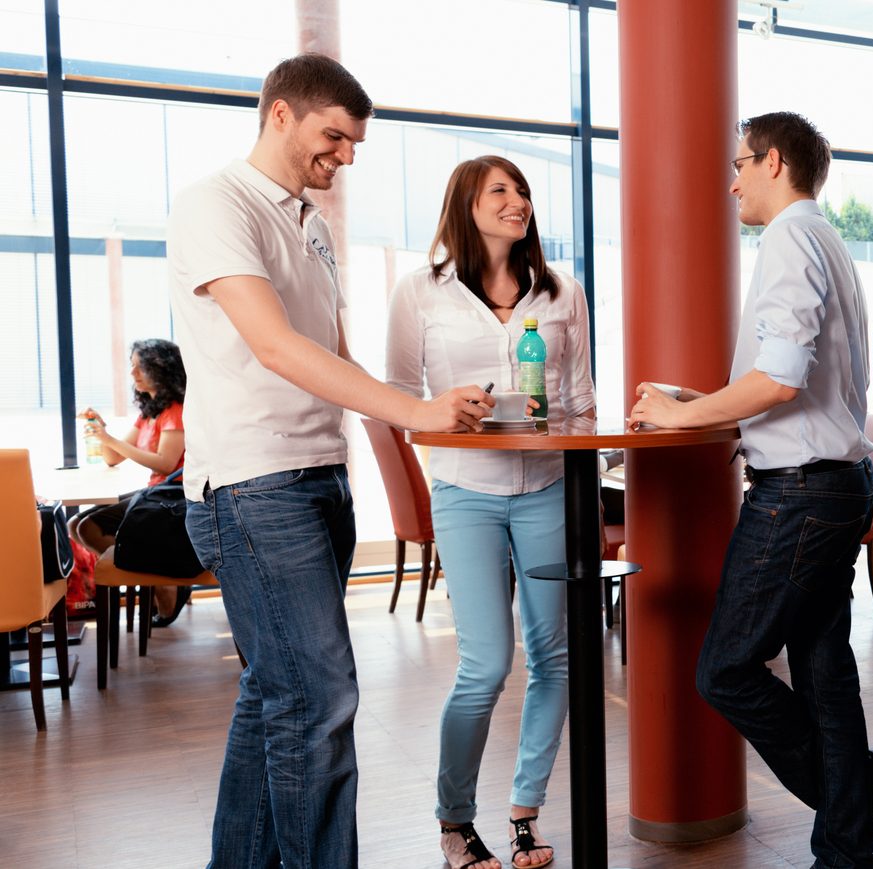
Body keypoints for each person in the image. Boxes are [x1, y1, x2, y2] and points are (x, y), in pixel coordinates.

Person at [169, 53, 491, 866]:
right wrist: (414, 409)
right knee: (319, 699)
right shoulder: (216, 204)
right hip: (252, 486)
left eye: (354, 143)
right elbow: (276, 347)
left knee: (276, 698)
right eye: (334, 136)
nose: (346, 156)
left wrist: (428, 414)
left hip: (318, 481)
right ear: (280, 114)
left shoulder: (308, 224)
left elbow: (335, 355)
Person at [628, 111, 873, 869]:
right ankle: (847, 850)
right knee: (824, 670)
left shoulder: (787, 238)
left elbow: (779, 379)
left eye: (739, 164)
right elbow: (792, 376)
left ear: (774, 161)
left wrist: (682, 413)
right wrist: (699, 398)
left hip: (800, 494)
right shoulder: (826, 238)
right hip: (838, 482)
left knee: (725, 670)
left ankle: (850, 791)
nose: (732, 181)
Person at [387, 155, 591, 869]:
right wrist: (448, 414)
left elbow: (582, 401)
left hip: (546, 488)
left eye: (523, 190)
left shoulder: (562, 291)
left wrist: (588, 482)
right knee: (485, 664)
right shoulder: (422, 292)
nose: (517, 201)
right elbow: (398, 397)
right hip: (466, 491)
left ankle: (525, 813)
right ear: (465, 205)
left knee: (555, 659)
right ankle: (454, 820)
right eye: (499, 190)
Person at [77, 338, 192, 624]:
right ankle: (160, 578)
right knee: (79, 526)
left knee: (89, 526)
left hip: (173, 498)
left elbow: (166, 463)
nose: (133, 374)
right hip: (156, 496)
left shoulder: (176, 410)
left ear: (161, 369)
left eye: (140, 367)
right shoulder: (150, 412)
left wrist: (110, 439)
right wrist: (102, 430)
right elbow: (112, 458)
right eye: (132, 367)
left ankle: (163, 582)